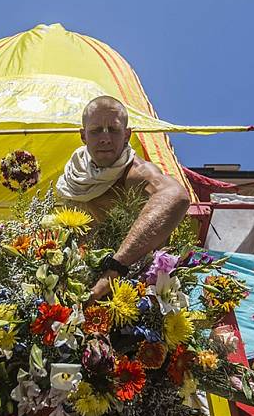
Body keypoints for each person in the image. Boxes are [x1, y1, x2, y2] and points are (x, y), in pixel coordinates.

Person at [56, 96, 190, 300]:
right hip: (80, 289)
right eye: (96, 130)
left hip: (134, 291)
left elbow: (176, 196)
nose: (105, 138)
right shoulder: (71, 178)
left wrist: (114, 269)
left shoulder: (136, 173)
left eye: (114, 130)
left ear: (127, 135)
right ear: (83, 136)